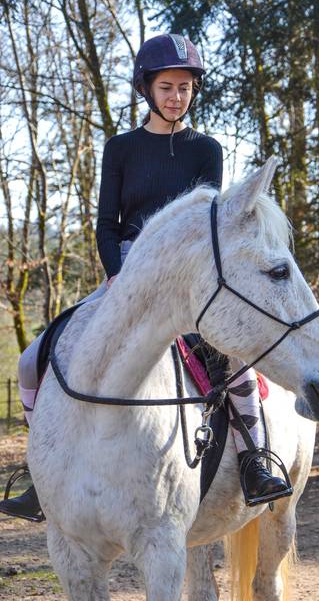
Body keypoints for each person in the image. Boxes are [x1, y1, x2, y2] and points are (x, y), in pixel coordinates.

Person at [0, 34, 288, 522]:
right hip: (128, 270)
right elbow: (105, 224)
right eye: (167, 86)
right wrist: (118, 276)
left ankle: (253, 459)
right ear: (147, 90)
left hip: (189, 276)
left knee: (235, 365)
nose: (176, 96)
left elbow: (207, 226)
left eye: (185, 87)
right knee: (32, 362)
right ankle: (39, 472)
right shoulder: (121, 149)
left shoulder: (206, 150)